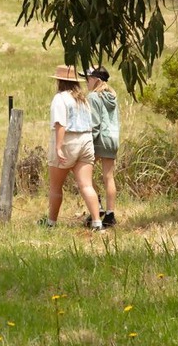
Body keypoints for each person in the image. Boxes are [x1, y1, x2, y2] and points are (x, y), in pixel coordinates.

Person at [40, 65, 104, 231]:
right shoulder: (83, 100)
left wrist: (58, 147)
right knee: (86, 185)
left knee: (55, 186)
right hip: (86, 140)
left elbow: (60, 124)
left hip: (69, 141)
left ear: (59, 81)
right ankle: (97, 222)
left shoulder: (60, 98)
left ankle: (51, 222)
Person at [83, 65, 120, 228]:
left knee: (83, 172)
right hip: (113, 138)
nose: (86, 82)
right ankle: (110, 215)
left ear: (96, 80)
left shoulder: (93, 97)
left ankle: (96, 206)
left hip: (99, 139)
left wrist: (88, 141)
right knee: (108, 177)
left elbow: (95, 123)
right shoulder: (112, 96)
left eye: (88, 79)